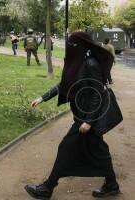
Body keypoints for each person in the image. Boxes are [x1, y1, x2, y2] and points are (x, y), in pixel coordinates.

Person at [25, 32, 120, 199]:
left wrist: (89, 121)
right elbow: (64, 84)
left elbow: (97, 93)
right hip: (83, 117)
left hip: (88, 118)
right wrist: (42, 98)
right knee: (99, 151)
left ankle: (48, 188)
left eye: (74, 44)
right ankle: (111, 184)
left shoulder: (90, 64)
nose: (71, 47)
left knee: (66, 148)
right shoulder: (78, 62)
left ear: (82, 45)